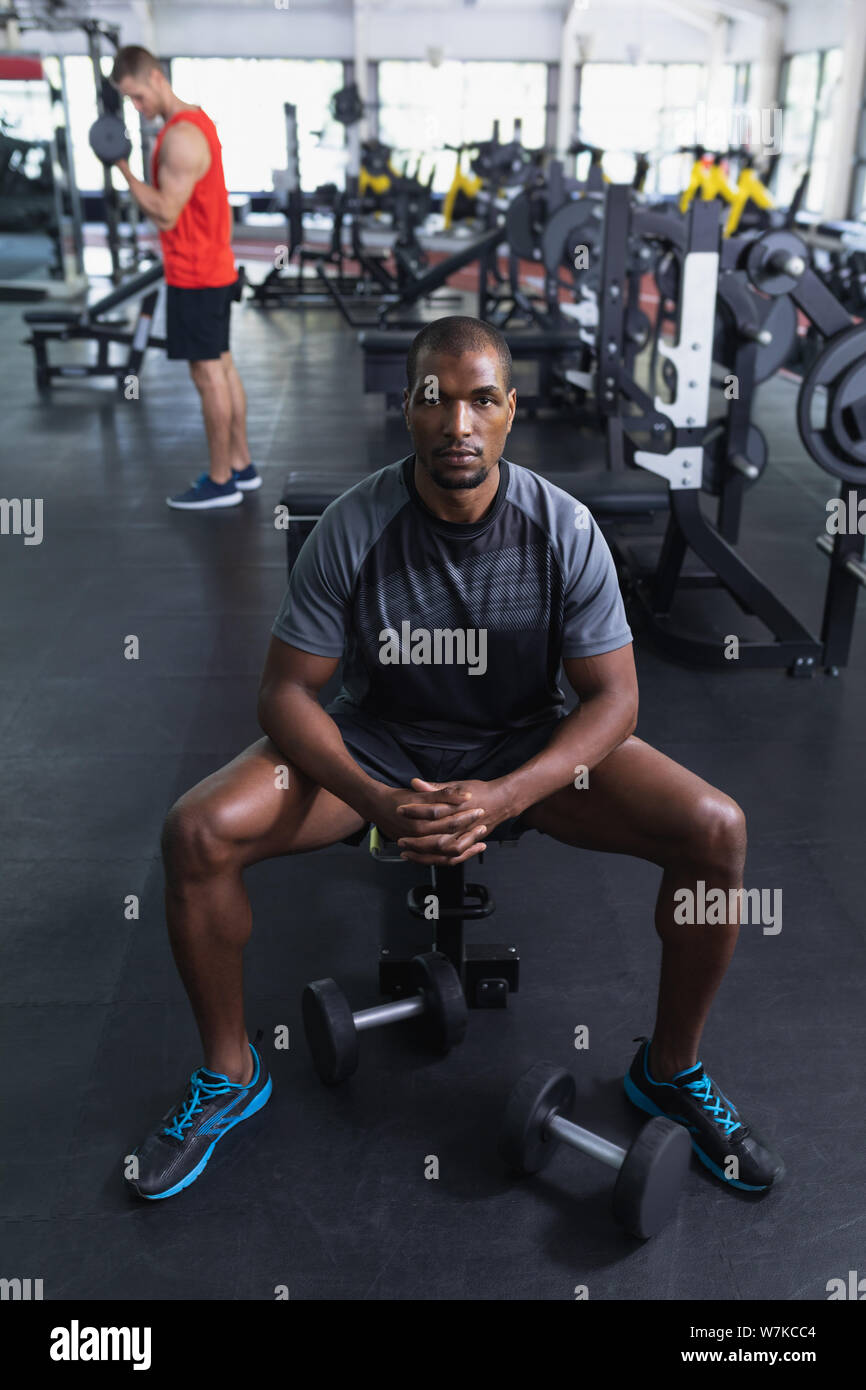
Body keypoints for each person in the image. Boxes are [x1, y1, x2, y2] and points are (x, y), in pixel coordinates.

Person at [125, 316, 784, 1201]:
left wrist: (508, 795)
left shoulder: (563, 528)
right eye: (437, 399)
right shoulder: (353, 528)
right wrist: (376, 798)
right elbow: (285, 694)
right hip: (378, 744)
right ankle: (230, 1075)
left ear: (511, 410)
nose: (459, 424)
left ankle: (668, 1071)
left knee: (716, 829)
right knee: (197, 831)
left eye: (482, 400)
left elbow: (615, 700)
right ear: (409, 411)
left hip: (522, 746)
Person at [110, 45, 260, 510]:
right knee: (222, 365)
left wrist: (122, 169)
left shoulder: (178, 138)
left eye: (137, 96)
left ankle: (220, 482)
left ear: (156, 77)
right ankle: (241, 466)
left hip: (195, 273)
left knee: (208, 374)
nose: (137, 108)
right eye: (128, 101)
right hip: (213, 266)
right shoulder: (199, 121)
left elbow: (165, 213)